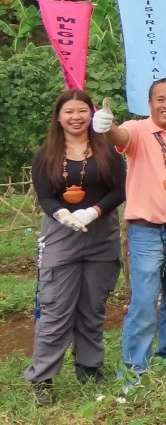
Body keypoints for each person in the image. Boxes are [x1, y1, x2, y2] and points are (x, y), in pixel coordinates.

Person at [91, 77, 166, 383]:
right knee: (143, 302)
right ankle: (132, 373)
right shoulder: (139, 131)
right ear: (150, 103)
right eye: (160, 99)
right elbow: (119, 136)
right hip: (146, 231)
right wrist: (106, 125)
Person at [25, 91, 126, 406]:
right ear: (59, 117)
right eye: (69, 111)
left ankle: (89, 367)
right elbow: (45, 195)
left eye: (82, 110)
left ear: (91, 114)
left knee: (92, 307)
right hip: (61, 236)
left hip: (102, 235)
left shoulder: (107, 150)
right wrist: (61, 214)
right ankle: (42, 377)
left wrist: (94, 211)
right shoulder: (47, 154)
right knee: (55, 308)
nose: (76, 117)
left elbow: (120, 189)